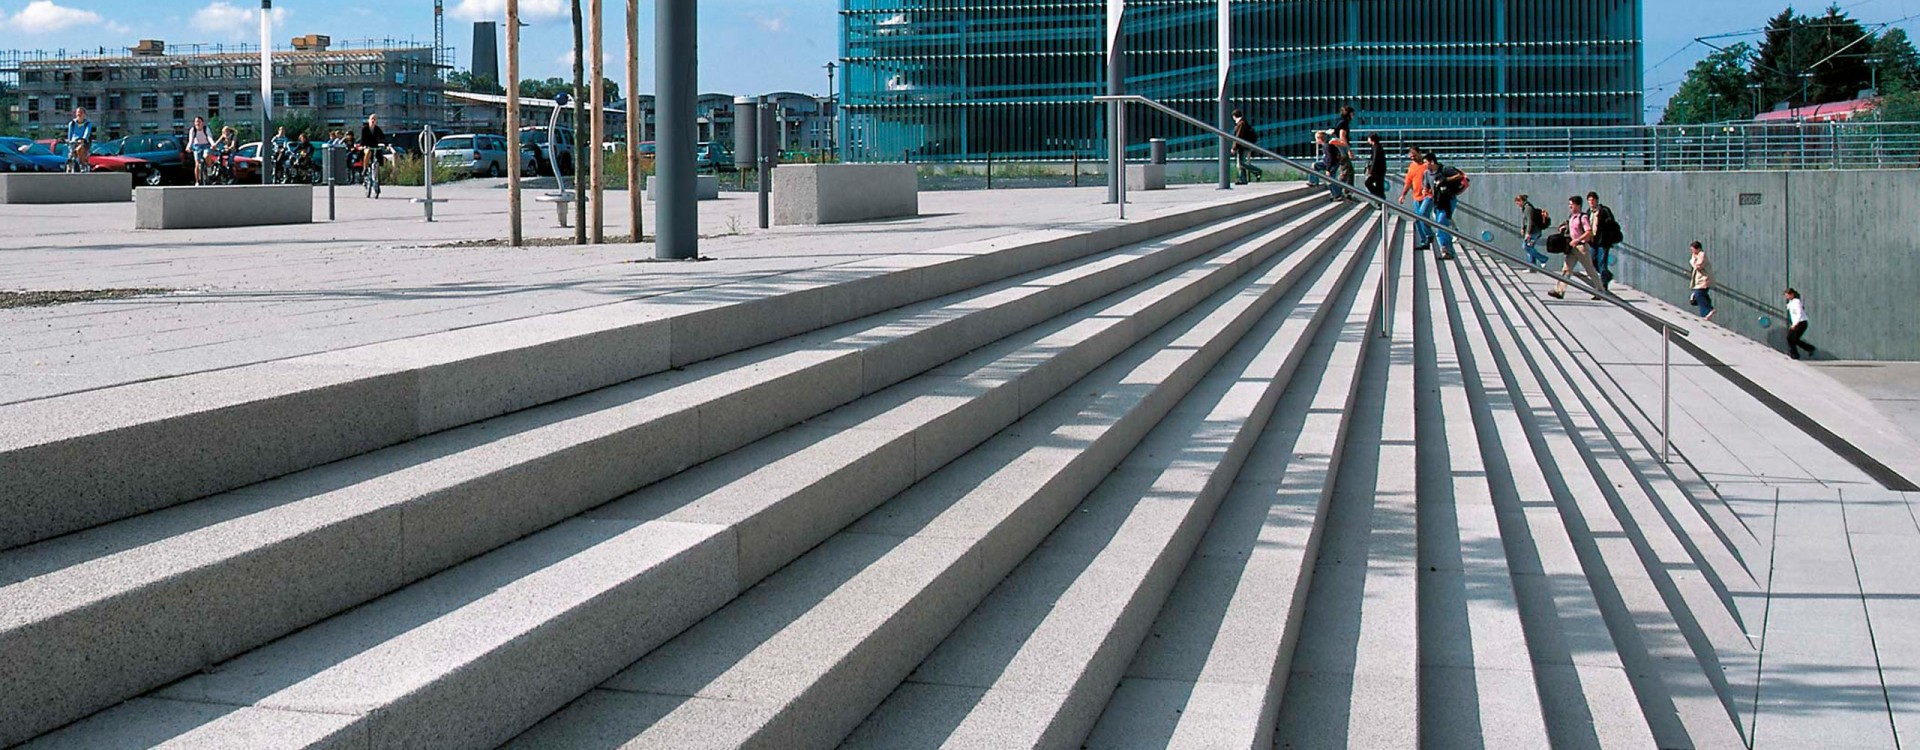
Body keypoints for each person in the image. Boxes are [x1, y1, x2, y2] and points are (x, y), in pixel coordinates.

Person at [1550, 195, 1603, 300]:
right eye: (1569, 204)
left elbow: (1588, 232)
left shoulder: (1582, 217)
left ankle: (1600, 291)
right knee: (1566, 269)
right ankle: (1559, 291)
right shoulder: (1571, 217)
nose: (1570, 206)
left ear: (1578, 205)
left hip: (1581, 247)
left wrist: (1577, 240)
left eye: (1572, 204)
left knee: (1590, 270)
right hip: (1571, 247)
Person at [1422, 152, 1465, 260]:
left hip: (1448, 200)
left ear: (1432, 162)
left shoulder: (1444, 169)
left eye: (1425, 162)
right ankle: (1447, 248)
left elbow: (1460, 175)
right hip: (1437, 201)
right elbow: (1427, 186)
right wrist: (1425, 191)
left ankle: (1446, 249)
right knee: (1440, 223)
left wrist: (1446, 180)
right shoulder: (1427, 173)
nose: (1424, 165)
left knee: (1441, 222)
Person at [1398, 146, 1432, 250]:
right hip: (1416, 197)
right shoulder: (1412, 167)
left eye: (1414, 156)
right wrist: (1403, 195)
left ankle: (1429, 235)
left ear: (1420, 153)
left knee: (1422, 215)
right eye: (1411, 157)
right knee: (1418, 220)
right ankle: (1424, 241)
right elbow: (1408, 182)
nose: (1413, 158)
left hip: (1428, 196)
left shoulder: (1427, 165)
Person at [1587, 191, 1621, 293]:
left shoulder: (1604, 210)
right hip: (1593, 242)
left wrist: (1602, 221)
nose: (1591, 202)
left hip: (1603, 241)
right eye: (1589, 200)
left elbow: (1611, 223)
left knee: (1602, 263)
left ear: (1597, 200)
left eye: (1593, 200)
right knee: (1593, 262)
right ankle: (1607, 276)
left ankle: (1603, 286)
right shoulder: (1589, 212)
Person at [1516, 193, 1550, 265]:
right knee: (1530, 247)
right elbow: (1524, 220)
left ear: (1521, 201)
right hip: (1532, 231)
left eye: (1518, 203)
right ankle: (1532, 266)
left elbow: (1530, 221)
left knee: (1526, 246)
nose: (1517, 205)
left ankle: (1543, 259)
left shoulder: (1528, 208)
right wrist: (1522, 228)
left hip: (1533, 232)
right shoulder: (1525, 208)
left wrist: (1528, 233)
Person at [1231, 109, 1262, 185]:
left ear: (1234, 116)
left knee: (1241, 164)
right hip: (1243, 146)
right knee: (1240, 163)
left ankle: (1257, 171)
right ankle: (1243, 179)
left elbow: (1238, 136)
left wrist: (1234, 148)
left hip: (1243, 146)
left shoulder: (1241, 123)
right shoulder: (1243, 122)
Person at [1784, 288, 1817, 359]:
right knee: (1792, 339)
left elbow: (1799, 314)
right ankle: (1809, 349)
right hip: (1797, 323)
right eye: (1785, 296)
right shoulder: (1791, 302)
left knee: (1791, 338)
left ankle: (1795, 354)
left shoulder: (1797, 302)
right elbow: (1789, 307)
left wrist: (1794, 324)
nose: (1786, 297)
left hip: (1801, 323)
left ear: (1792, 295)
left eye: (1787, 295)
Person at [1689, 241, 1715, 319]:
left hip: (1704, 280)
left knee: (1699, 294)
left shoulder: (1701, 255)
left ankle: (1709, 310)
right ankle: (1705, 314)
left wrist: (1693, 260)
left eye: (1693, 249)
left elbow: (1698, 266)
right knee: (1701, 295)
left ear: (1698, 248)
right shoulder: (1697, 255)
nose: (1692, 251)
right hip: (1699, 280)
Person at [64, 107, 95, 172]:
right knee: (71, 153)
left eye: (81, 112)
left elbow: (87, 132)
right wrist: (69, 141)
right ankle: (70, 166)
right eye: (78, 112)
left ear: (84, 114)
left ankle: (83, 164)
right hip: (74, 142)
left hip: (83, 142)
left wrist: (83, 139)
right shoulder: (72, 123)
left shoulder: (87, 123)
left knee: (79, 149)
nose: (79, 114)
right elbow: (70, 134)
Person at [357, 113, 387, 179]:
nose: (373, 121)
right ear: (369, 120)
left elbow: (383, 137)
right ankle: (365, 169)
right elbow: (362, 139)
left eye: (375, 119)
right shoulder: (365, 129)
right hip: (367, 146)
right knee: (368, 152)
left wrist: (386, 145)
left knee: (381, 158)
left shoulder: (377, 129)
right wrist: (362, 146)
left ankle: (377, 178)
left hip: (375, 147)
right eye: (372, 119)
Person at [187, 116, 214, 185]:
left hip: (206, 145)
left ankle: (209, 169)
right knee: (197, 164)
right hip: (197, 147)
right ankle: (197, 181)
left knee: (206, 156)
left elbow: (209, 137)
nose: (197, 123)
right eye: (196, 122)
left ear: (202, 123)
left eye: (199, 122)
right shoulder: (192, 130)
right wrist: (188, 147)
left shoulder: (206, 129)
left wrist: (213, 144)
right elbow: (191, 140)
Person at [1364, 133, 1387, 199]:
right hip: (1379, 171)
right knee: (1379, 187)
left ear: (1372, 139)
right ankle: (1381, 200)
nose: (1367, 140)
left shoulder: (1376, 148)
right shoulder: (1376, 147)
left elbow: (1375, 160)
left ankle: (1379, 198)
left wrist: (1371, 172)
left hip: (1377, 172)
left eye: (1368, 138)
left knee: (1368, 183)